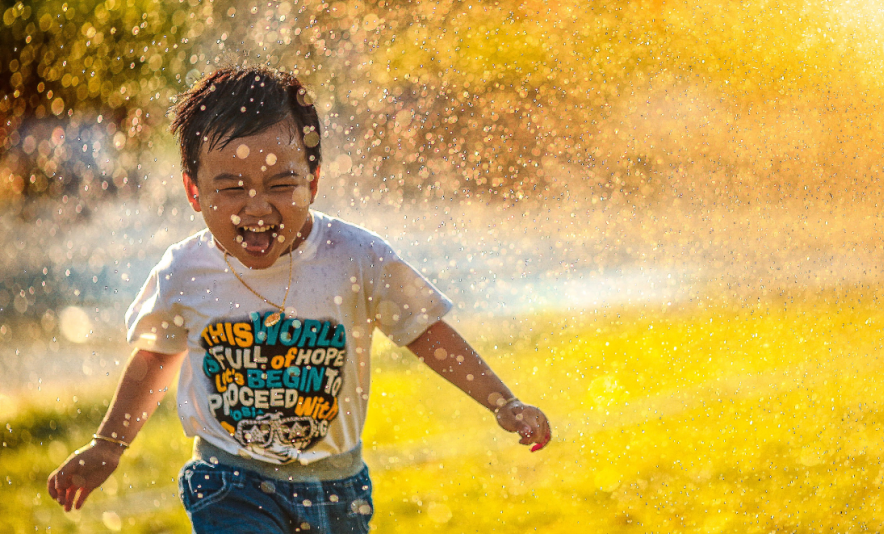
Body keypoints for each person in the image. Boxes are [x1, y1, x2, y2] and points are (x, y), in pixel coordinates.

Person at [47, 67, 551, 532]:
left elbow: (425, 330)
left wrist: (502, 401)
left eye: (281, 184)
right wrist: (108, 445)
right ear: (194, 192)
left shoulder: (356, 257)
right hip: (230, 480)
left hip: (338, 487)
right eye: (231, 188)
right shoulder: (185, 270)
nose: (257, 206)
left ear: (313, 182)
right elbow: (155, 357)